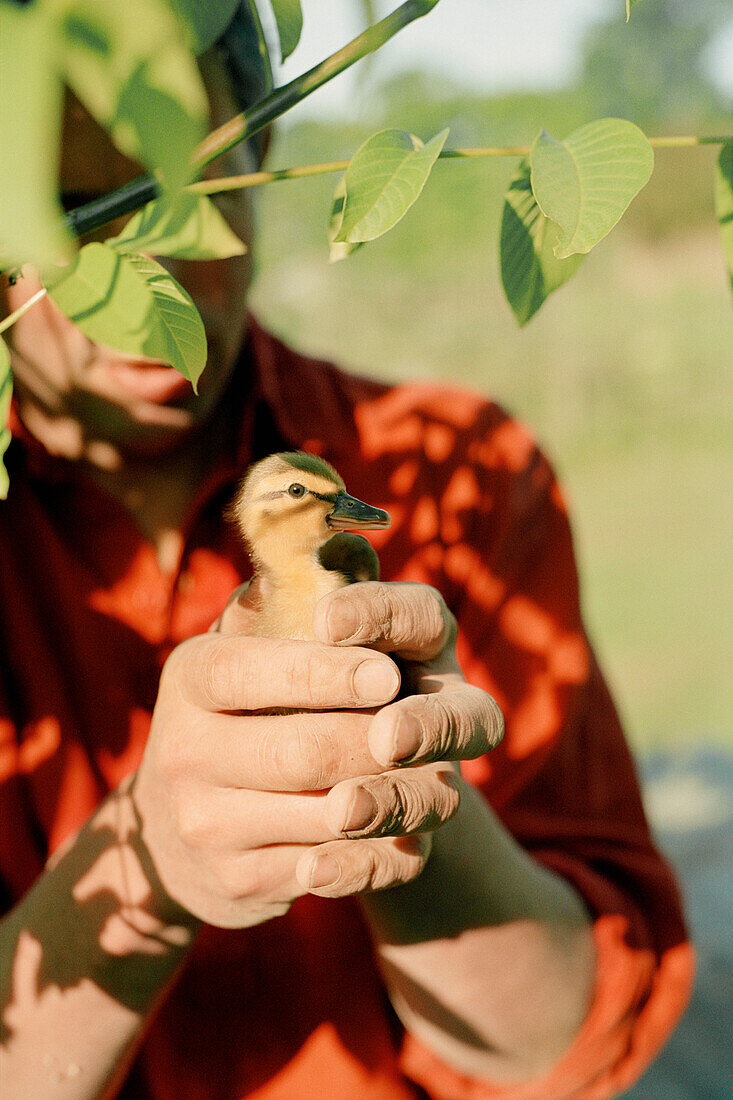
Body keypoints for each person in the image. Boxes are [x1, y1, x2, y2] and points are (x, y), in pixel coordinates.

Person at [0, 7, 693, 1099]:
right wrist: (151, 864)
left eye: (182, 195)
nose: (148, 286)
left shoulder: (460, 471)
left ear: (260, 153)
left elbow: (570, 1034)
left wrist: (402, 781)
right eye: (79, 211)